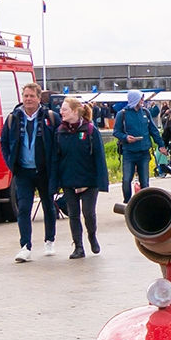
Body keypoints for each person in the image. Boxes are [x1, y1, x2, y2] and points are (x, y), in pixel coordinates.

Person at [0, 82, 59, 262]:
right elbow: (4, 143)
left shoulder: (50, 117)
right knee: (24, 207)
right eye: (25, 96)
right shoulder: (13, 118)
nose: (28, 99)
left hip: (44, 171)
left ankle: (49, 240)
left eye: (32, 96)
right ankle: (25, 246)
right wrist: (12, 164)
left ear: (39, 98)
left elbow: (58, 143)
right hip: (23, 171)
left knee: (48, 205)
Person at [51, 96, 109, 259]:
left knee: (88, 213)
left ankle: (92, 235)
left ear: (75, 111)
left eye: (64, 109)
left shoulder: (90, 131)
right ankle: (78, 246)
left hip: (89, 181)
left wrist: (101, 182)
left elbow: (99, 158)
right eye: (61, 109)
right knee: (73, 214)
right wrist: (55, 183)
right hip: (69, 180)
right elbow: (56, 158)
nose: (61, 112)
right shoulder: (60, 132)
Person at [113, 89, 163, 202]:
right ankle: (127, 202)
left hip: (144, 151)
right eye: (141, 98)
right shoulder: (122, 114)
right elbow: (116, 132)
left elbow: (153, 130)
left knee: (145, 181)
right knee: (126, 179)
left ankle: (145, 203)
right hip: (129, 152)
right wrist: (125, 137)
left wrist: (161, 144)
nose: (142, 101)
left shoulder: (145, 112)